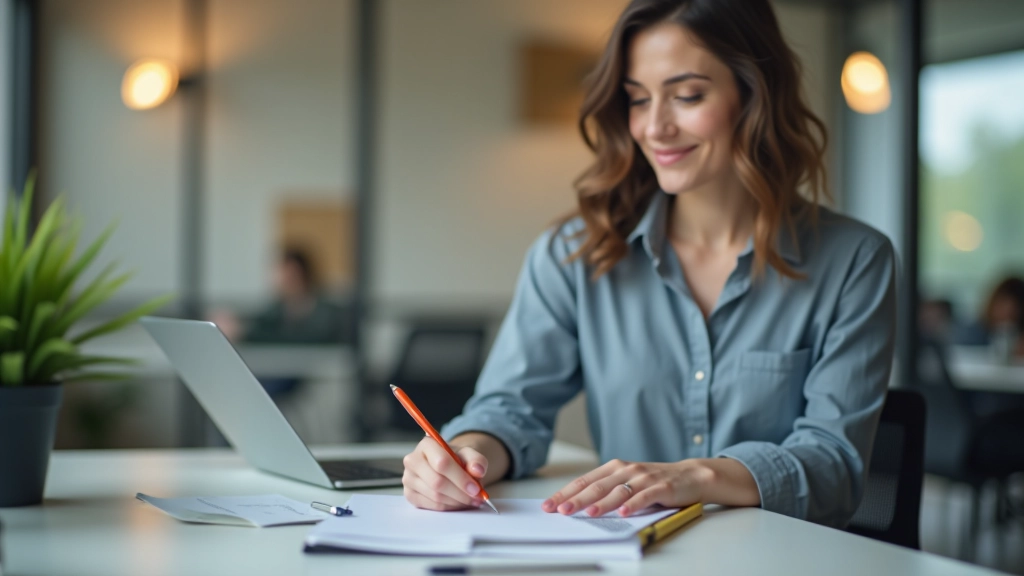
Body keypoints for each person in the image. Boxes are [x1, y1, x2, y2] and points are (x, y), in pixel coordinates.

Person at [401, 0, 896, 529]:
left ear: (755, 96)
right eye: (638, 100)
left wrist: (697, 477)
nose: (655, 127)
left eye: (687, 95)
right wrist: (464, 454)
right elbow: (509, 409)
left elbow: (834, 462)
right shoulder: (574, 254)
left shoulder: (855, 261)